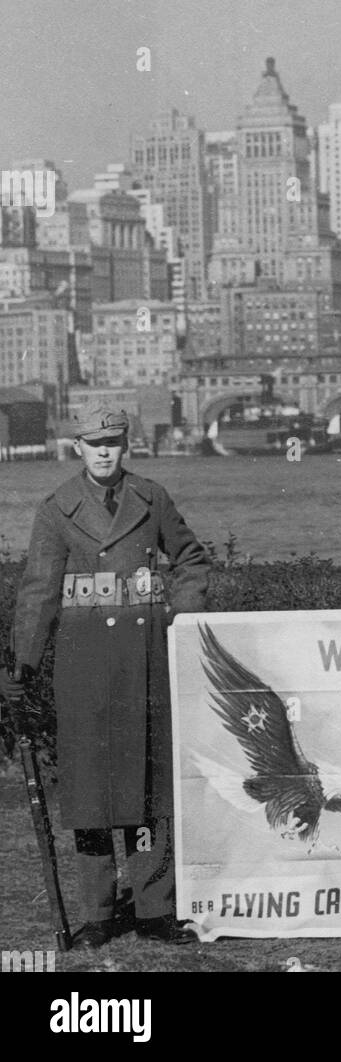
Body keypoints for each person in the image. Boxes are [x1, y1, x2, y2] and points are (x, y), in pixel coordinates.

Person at [0, 403, 209, 949]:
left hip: (145, 657)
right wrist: (22, 660)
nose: (104, 453)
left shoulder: (152, 497)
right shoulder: (55, 509)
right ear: (78, 449)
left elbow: (190, 558)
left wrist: (179, 616)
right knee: (91, 791)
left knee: (148, 787)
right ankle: (97, 912)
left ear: (125, 447)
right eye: (94, 444)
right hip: (84, 662)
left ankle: (155, 910)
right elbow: (39, 589)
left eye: (113, 443)